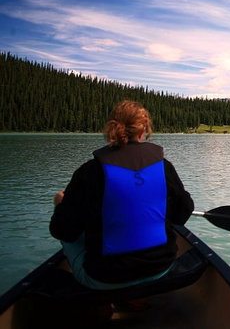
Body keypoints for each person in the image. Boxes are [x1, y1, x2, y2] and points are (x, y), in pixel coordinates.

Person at [50, 100, 194, 289]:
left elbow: (62, 231)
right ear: (143, 131)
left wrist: (61, 205)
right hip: (161, 268)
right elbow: (182, 213)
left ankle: (101, 303)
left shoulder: (89, 171)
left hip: (105, 278)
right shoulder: (163, 167)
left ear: (112, 128)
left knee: (73, 235)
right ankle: (137, 299)